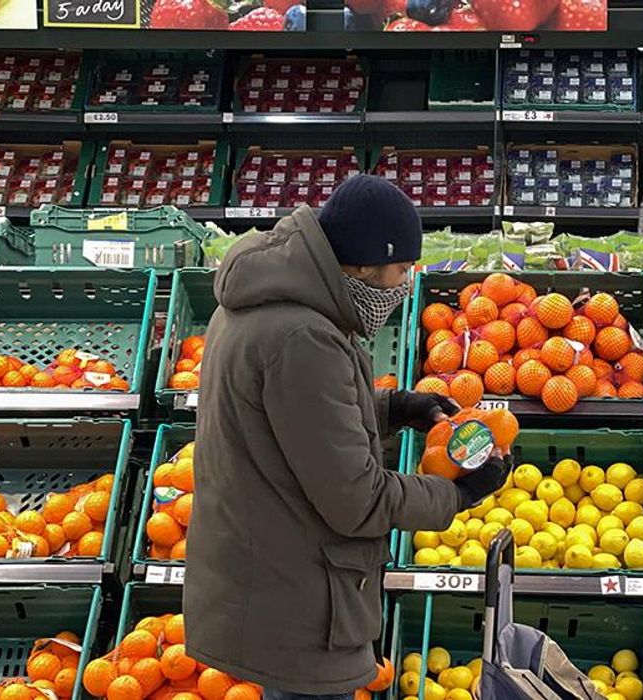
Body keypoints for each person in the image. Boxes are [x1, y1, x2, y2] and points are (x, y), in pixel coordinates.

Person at [183, 175, 511, 700]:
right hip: (298, 593)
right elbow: (356, 498)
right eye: (401, 270)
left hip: (266, 572)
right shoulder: (304, 336)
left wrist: (395, 408)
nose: (405, 286)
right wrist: (459, 494)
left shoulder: (260, 304)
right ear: (362, 264)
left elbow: (290, 424)